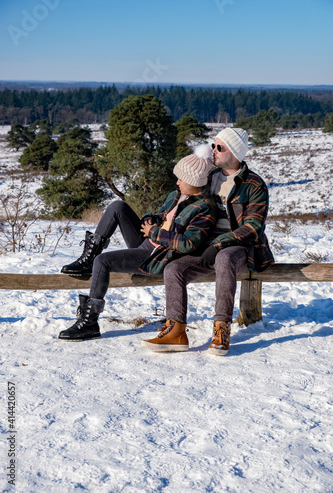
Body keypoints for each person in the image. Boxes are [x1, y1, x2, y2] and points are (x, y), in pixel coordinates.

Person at [58, 144, 218, 341]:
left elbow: (188, 244)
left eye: (181, 178)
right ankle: (87, 259)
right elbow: (162, 216)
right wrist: (150, 220)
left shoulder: (205, 208)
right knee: (118, 206)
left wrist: (155, 233)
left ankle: (89, 322)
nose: (177, 181)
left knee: (103, 261)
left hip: (156, 257)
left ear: (195, 181)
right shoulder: (176, 195)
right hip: (148, 242)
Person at [141, 127, 274, 356]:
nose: (213, 150)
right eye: (213, 144)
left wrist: (220, 243)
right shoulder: (210, 177)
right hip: (203, 244)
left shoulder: (254, 185)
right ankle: (176, 330)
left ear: (234, 153)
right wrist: (161, 215)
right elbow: (183, 195)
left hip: (240, 248)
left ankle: (221, 329)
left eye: (219, 147)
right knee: (173, 269)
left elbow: (253, 227)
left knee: (224, 258)